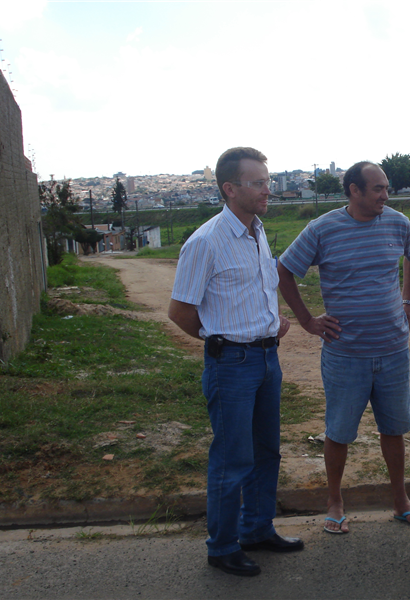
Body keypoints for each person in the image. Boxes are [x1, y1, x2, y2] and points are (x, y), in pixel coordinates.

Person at [168, 147, 302, 577]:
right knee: (232, 457)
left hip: (267, 359)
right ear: (230, 189)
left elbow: (254, 290)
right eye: (258, 182)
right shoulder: (206, 241)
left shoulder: (258, 231)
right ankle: (222, 546)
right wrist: (223, 340)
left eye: (268, 180)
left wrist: (267, 324)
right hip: (232, 365)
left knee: (266, 452)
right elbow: (181, 311)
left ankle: (257, 529)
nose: (269, 189)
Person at [277, 161, 410, 534]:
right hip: (345, 356)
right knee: (339, 432)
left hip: (392, 351)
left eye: (386, 188)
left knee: (394, 430)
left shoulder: (397, 222)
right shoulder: (323, 229)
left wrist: (407, 300)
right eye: (377, 189)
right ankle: (335, 501)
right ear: (354, 191)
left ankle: (400, 500)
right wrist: (308, 321)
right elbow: (284, 270)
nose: (385, 196)